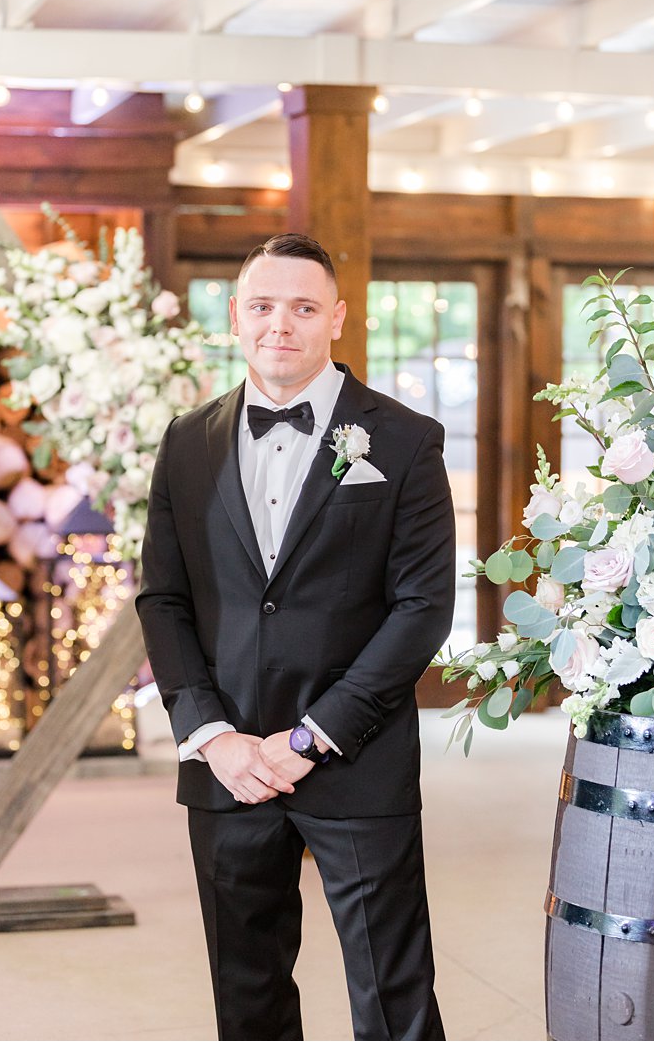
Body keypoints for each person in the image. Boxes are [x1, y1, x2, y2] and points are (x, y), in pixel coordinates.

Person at [135, 233, 454, 1041]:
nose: (282, 324)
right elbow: (162, 599)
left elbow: (421, 607)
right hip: (230, 767)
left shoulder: (407, 439)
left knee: (394, 997)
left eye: (304, 307)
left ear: (337, 318)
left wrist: (314, 736)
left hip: (358, 756)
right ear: (236, 316)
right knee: (246, 997)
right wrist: (214, 737)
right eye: (264, 306)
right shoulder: (186, 441)